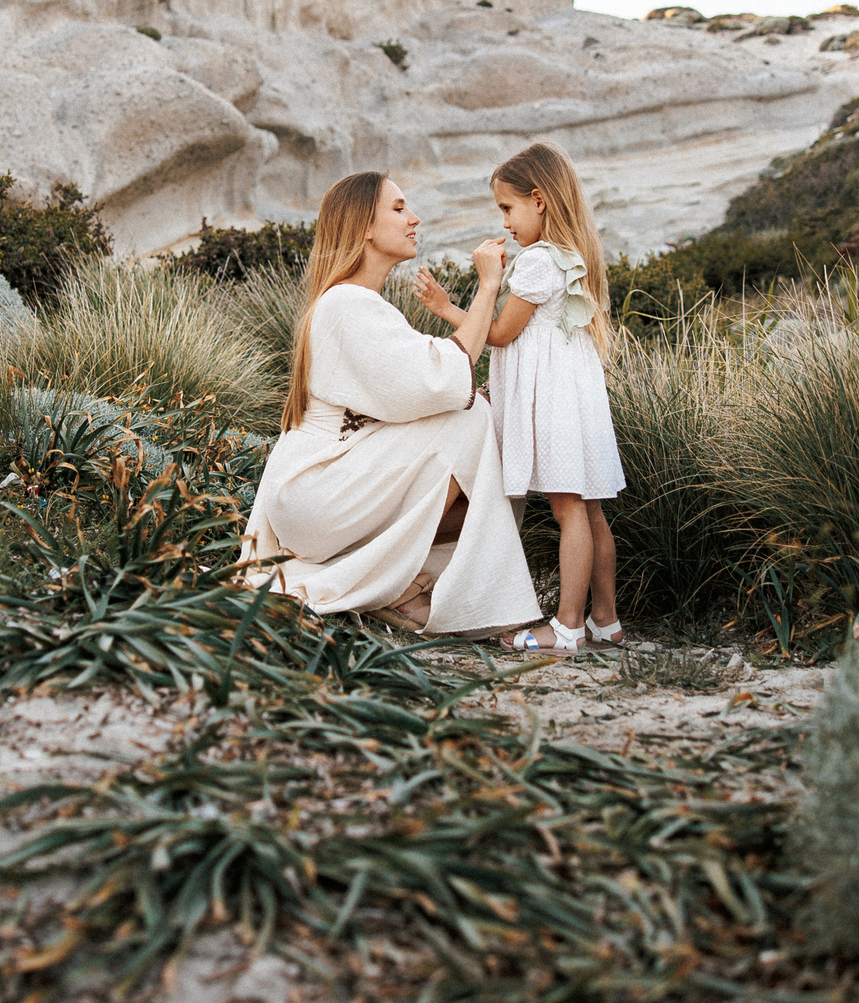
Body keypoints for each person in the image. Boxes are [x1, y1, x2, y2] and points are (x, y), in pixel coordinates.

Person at [240, 172, 540, 635]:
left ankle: (390, 579)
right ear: (364, 225)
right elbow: (439, 378)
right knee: (472, 420)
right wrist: (487, 288)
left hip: (315, 497)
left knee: (475, 424)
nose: (414, 219)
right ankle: (393, 586)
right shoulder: (347, 304)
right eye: (399, 208)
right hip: (314, 498)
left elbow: (416, 391)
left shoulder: (354, 302)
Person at [450, 141, 625, 653]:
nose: (504, 222)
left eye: (508, 208)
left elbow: (500, 333)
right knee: (590, 512)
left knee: (568, 509)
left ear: (539, 199)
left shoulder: (536, 262)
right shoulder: (570, 256)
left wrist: (447, 305)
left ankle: (566, 627)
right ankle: (605, 621)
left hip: (552, 403)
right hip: (576, 398)